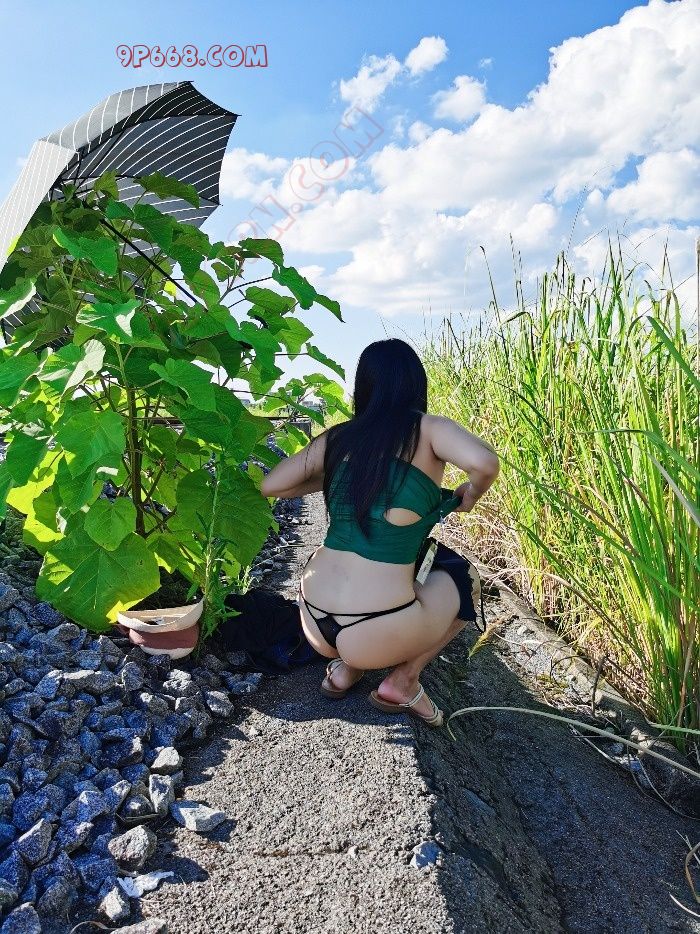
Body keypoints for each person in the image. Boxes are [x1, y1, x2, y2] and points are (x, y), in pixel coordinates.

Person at [260, 338, 500, 727]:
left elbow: (271, 485)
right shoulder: (429, 429)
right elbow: (485, 463)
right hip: (376, 625)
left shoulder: (339, 437)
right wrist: (469, 495)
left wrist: (336, 476)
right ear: (415, 384)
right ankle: (403, 682)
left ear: (364, 387)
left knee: (396, 569)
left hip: (314, 621)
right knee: (465, 579)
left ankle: (345, 670)